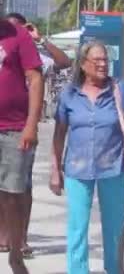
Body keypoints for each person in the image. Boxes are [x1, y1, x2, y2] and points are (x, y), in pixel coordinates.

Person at [50, 40, 124, 274]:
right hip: (77, 167)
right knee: (77, 228)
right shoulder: (69, 94)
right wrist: (55, 169)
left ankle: (115, 269)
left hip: (112, 167)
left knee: (115, 228)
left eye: (106, 60)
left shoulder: (118, 88)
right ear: (83, 64)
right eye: (98, 60)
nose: (103, 64)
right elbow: (59, 133)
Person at [0, 13, 71, 259]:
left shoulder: (29, 45)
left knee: (19, 187)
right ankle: (5, 235)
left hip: (16, 127)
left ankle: (20, 239)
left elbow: (64, 62)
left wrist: (41, 39)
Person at [0, 17, 43, 274]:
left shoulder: (18, 35)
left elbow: (35, 79)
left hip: (14, 129)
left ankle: (16, 252)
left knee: (13, 194)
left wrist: (31, 123)